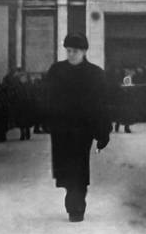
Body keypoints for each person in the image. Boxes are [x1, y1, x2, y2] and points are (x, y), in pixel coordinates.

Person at [45, 33, 111, 222]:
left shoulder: (95, 74)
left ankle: (77, 205)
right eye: (68, 51)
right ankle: (72, 194)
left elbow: (102, 105)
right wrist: (46, 119)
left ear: (83, 52)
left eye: (75, 51)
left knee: (79, 166)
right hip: (61, 129)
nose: (71, 54)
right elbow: (45, 98)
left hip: (83, 129)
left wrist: (103, 132)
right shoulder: (56, 71)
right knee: (64, 168)